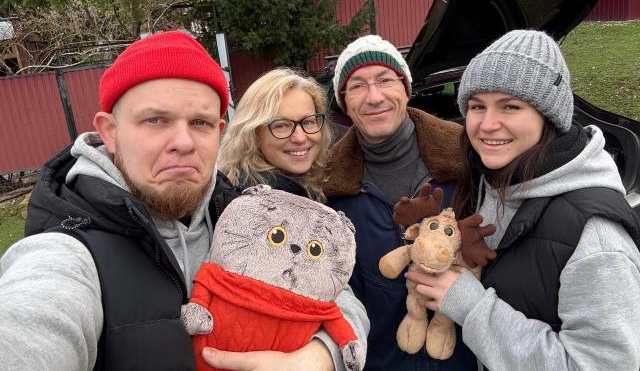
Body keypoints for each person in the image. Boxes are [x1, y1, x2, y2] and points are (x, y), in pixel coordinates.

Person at [0, 31, 368, 371]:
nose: (183, 142)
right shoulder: (68, 256)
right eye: (155, 120)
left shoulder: (248, 212)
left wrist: (320, 357)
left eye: (200, 123)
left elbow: (340, 292)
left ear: (219, 132)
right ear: (109, 132)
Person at [409, 30, 640, 370]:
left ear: (548, 116)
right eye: (477, 106)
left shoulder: (597, 239)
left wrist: (469, 304)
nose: (487, 125)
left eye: (510, 106)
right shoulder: (495, 182)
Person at [323, 34, 477, 370]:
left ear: (405, 89)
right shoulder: (328, 191)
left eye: (384, 80)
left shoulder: (468, 160)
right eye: (357, 86)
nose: (374, 97)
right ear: (344, 103)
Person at [217, 67, 332, 202]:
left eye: (307, 122)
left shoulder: (320, 183)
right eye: (281, 125)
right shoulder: (251, 204)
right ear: (252, 134)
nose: (300, 138)